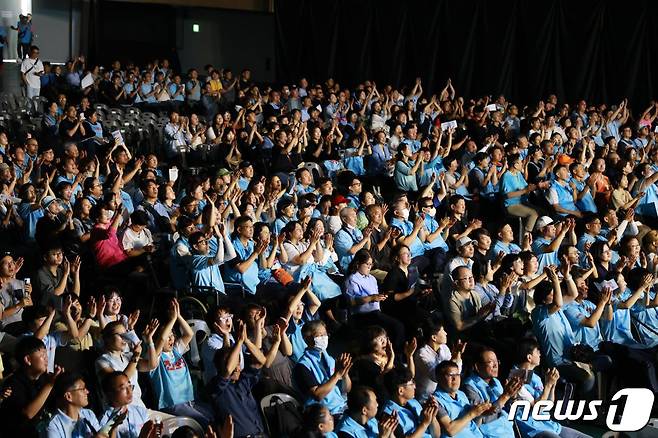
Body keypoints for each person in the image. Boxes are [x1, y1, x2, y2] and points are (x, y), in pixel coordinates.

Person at [210, 319, 267, 438]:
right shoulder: (217, 387)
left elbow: (261, 361)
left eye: (238, 364)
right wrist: (239, 342)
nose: (237, 368)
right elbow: (228, 369)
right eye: (234, 364)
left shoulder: (243, 381)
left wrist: (246, 340)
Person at [0, 336, 64, 438]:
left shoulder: (44, 378)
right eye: (42, 355)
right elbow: (28, 413)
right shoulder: (13, 383)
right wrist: (50, 384)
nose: (46, 358)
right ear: (28, 359)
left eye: (46, 354)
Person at [293, 320, 352, 415]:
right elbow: (317, 395)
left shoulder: (330, 359)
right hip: (324, 414)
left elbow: (346, 390)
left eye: (325, 334)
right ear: (307, 339)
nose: (324, 338)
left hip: (341, 406)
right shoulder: (302, 366)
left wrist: (345, 374)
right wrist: (337, 375)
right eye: (319, 335)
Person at [463, 348, 521, 438]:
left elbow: (506, 409)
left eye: (496, 361)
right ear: (477, 366)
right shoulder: (469, 386)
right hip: (490, 434)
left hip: (507, 431)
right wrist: (505, 396)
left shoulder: (496, 382)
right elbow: (482, 418)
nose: (495, 365)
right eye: (490, 362)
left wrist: (512, 396)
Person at [434, 360, 489, 438]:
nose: (455, 378)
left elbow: (470, 425)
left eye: (457, 374)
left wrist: (480, 414)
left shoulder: (461, 394)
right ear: (438, 378)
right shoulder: (436, 401)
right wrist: (472, 413)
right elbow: (450, 430)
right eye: (450, 375)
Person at [382, 367, 442, 438]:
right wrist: (424, 424)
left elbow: (436, 435)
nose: (415, 386)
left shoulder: (414, 402)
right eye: (411, 384)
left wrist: (432, 416)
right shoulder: (389, 415)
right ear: (401, 391)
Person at [46, 372, 105, 438]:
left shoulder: (88, 414)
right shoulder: (53, 426)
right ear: (69, 396)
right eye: (82, 389)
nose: (87, 392)